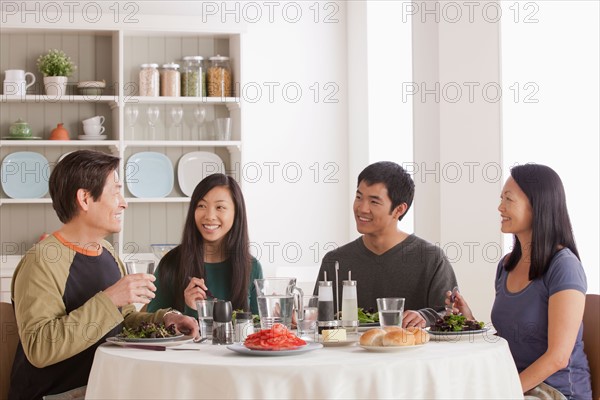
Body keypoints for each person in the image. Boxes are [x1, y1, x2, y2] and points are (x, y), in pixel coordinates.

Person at [9, 150, 199, 400]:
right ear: (85, 198)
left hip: (102, 388)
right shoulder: (42, 260)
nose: (124, 202)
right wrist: (109, 299)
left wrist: (165, 319)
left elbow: (122, 319)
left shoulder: (108, 252)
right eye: (115, 191)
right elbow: (40, 347)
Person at [448, 164, 592, 399]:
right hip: (515, 383)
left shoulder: (564, 266)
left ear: (537, 206)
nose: (500, 207)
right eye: (500, 198)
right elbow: (508, 343)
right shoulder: (506, 266)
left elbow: (558, 357)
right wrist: (470, 321)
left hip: (555, 391)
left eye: (508, 199)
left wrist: (502, 391)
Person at [314, 161, 458, 328]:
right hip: (348, 353)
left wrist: (424, 316)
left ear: (399, 210)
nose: (362, 208)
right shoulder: (336, 260)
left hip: (411, 352)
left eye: (374, 202)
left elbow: (451, 315)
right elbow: (318, 320)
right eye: (359, 197)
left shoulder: (431, 258)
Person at [147, 173, 263, 317]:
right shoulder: (171, 263)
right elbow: (151, 323)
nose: (209, 216)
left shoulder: (252, 266)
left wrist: (280, 316)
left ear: (237, 213)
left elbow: (259, 328)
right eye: (201, 205)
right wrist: (190, 309)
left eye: (220, 207)